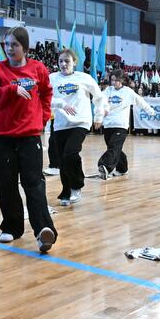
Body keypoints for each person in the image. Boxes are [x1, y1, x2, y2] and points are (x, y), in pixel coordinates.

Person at [0, 26, 57, 253]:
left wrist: (42, 117)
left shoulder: (38, 69)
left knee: (34, 183)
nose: (10, 48)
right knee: (6, 183)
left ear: (24, 47)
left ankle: (43, 230)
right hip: (2, 137)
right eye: (7, 44)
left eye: (14, 44)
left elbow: (46, 94)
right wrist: (10, 90)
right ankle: (12, 227)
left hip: (29, 136)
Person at [49, 49, 105, 206]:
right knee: (62, 160)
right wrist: (59, 104)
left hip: (80, 122)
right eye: (60, 61)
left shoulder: (84, 78)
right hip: (60, 124)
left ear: (74, 62)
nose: (63, 64)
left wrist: (99, 116)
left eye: (67, 61)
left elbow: (99, 97)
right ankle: (66, 192)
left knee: (70, 154)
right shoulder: (52, 78)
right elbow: (44, 97)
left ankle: (77, 185)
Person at [98, 69, 155, 179]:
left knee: (114, 147)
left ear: (122, 80)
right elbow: (99, 100)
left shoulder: (128, 91)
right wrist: (101, 111)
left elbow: (140, 101)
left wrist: (150, 111)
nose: (114, 82)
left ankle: (104, 166)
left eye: (116, 80)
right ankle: (122, 169)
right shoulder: (108, 90)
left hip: (121, 125)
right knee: (114, 148)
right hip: (108, 124)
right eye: (112, 80)